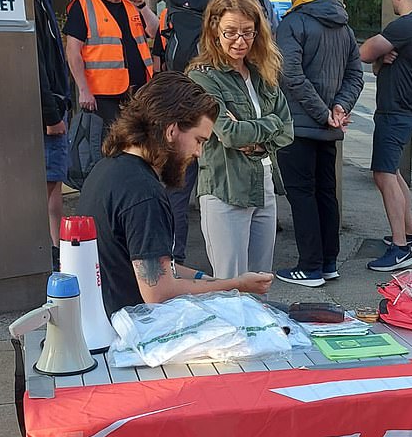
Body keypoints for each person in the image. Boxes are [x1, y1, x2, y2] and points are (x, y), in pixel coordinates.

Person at [76, 72, 272, 314]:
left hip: (104, 321)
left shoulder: (109, 168)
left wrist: (210, 280)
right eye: (199, 140)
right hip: (129, 335)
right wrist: (236, 287)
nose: (199, 153)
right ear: (171, 131)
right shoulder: (143, 193)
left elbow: (157, 267)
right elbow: (159, 292)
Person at [186, 0, 293, 277]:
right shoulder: (202, 77)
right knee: (231, 286)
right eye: (231, 32)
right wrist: (270, 124)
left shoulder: (262, 72)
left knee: (260, 285)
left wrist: (259, 137)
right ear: (214, 29)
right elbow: (230, 134)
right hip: (225, 188)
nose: (240, 41)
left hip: (263, 184)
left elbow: (288, 129)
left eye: (248, 32)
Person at [274, 0, 363, 287]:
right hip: (328, 129)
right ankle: (328, 262)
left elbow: (290, 75)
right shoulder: (344, 26)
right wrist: (338, 107)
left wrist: (322, 111)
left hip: (297, 126)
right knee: (326, 193)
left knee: (302, 195)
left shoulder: (293, 23)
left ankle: (309, 266)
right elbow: (356, 74)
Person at [151, 0, 240, 264]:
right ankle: (226, 258)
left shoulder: (172, 9)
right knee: (218, 189)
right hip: (214, 111)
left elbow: (158, 60)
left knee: (177, 186)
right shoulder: (222, 18)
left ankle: (173, 256)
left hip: (178, 108)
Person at [359, 0, 412, 271]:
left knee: (382, 175)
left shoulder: (406, 25)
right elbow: (378, 66)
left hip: (396, 112)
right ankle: (410, 236)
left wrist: (377, 57)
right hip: (407, 110)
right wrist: (382, 60)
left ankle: (401, 247)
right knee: (393, 172)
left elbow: (364, 52)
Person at [64, 0, 159, 145]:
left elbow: (156, 31)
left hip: (138, 93)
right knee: (107, 148)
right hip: (103, 97)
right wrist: (83, 90)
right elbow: (73, 51)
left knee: (137, 147)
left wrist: (142, 4)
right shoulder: (84, 5)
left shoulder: (132, 6)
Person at [29, 0, 74, 270]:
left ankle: (55, 250)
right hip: (50, 112)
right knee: (48, 185)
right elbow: (38, 61)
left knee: (53, 184)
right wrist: (51, 112)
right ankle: (54, 255)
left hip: (53, 107)